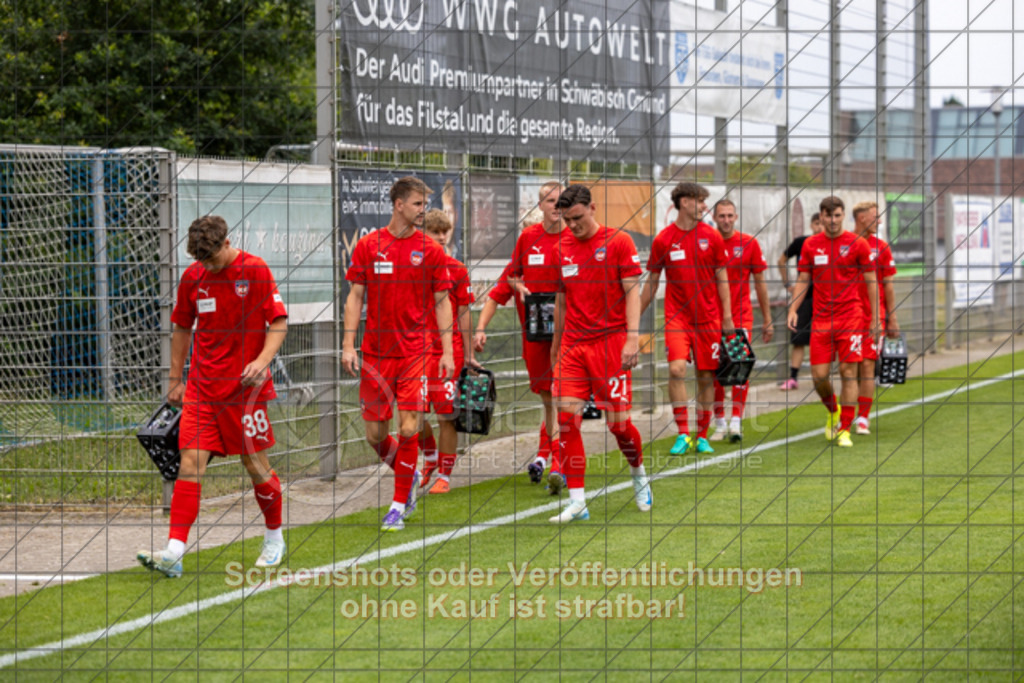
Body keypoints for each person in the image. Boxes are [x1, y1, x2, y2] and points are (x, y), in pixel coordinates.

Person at [137, 215, 288, 578]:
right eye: (198, 259)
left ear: (226, 243)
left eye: (210, 258)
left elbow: (279, 322)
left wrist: (262, 361)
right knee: (190, 464)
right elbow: (181, 327)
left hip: (244, 393)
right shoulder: (194, 277)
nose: (205, 265)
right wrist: (176, 379)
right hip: (203, 389)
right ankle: (174, 553)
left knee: (255, 466)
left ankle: (274, 537)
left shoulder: (255, 270)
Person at [342, 176, 455, 532]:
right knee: (375, 435)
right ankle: (410, 475)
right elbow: (355, 297)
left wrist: (447, 351)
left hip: (416, 352)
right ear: (399, 205)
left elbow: (442, 301)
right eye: (418, 204)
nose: (424, 211)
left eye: (425, 204)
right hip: (376, 353)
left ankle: (397, 504)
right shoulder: (370, 245)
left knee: (409, 427)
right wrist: (348, 344)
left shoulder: (432, 250)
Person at [548, 184, 651, 523]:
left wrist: (632, 338)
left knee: (619, 427)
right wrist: (555, 346)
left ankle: (638, 472)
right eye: (566, 220)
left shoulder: (618, 242)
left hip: (611, 343)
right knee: (566, 420)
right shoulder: (561, 247)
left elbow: (632, 291)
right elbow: (561, 300)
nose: (572, 226)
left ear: (592, 208)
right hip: (574, 346)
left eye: (577, 218)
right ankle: (578, 501)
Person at [474, 182, 565, 491]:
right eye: (551, 201)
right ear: (539, 206)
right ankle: (547, 456)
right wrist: (481, 327)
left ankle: (555, 461)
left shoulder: (576, 237)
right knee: (549, 398)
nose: (557, 205)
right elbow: (506, 281)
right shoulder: (528, 239)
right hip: (537, 336)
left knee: (562, 398)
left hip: (569, 335)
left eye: (561, 200)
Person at [640, 182, 735, 456]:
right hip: (677, 318)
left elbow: (722, 279)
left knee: (705, 376)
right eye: (700, 201)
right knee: (676, 370)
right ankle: (683, 433)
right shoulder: (664, 239)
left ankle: (702, 435)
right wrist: (630, 317)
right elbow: (652, 282)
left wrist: (727, 317)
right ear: (684, 202)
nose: (705, 206)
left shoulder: (712, 237)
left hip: (709, 319)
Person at [787, 196, 878, 448]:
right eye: (828, 216)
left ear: (843, 215)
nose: (833, 220)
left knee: (849, 372)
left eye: (837, 215)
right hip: (822, 321)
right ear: (821, 217)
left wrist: (876, 319)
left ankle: (845, 430)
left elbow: (871, 280)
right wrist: (793, 308)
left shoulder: (857, 244)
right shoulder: (810, 245)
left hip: (852, 318)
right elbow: (803, 279)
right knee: (819, 377)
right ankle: (833, 410)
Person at [419, 209, 476, 494]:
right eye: (435, 232)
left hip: (446, 351)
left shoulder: (457, 269)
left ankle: (445, 473)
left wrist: (467, 354)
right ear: (422, 234)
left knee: (446, 416)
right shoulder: (410, 267)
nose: (441, 237)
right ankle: (429, 458)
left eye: (445, 231)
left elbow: (464, 312)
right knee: (413, 416)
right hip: (414, 351)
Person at [708, 199, 773, 443]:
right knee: (714, 371)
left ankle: (736, 421)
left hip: (739, 317)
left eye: (730, 216)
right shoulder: (706, 244)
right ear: (714, 218)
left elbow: (760, 284)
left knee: (740, 367)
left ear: (736, 217)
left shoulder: (748, 243)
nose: (726, 220)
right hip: (710, 318)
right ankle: (720, 423)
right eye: (721, 216)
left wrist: (767, 319)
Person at [851, 201, 900, 435]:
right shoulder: (843, 244)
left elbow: (888, 286)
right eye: (875, 217)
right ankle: (845, 414)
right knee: (848, 367)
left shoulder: (881, 247)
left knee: (868, 365)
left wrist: (891, 318)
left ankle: (862, 418)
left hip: (874, 316)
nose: (879, 221)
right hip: (847, 317)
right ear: (861, 218)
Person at [777, 212, 824, 390]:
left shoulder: (832, 244)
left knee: (825, 338)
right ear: (812, 225)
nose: (820, 227)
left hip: (825, 299)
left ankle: (823, 376)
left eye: (823, 223)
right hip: (804, 298)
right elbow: (781, 261)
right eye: (817, 223)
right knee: (799, 338)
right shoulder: (802, 243)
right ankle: (793, 377)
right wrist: (788, 284)